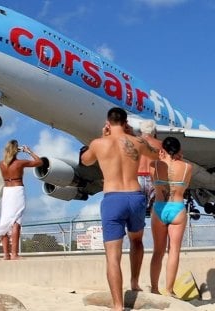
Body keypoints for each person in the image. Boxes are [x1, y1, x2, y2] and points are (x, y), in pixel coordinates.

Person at [80, 107, 159, 311]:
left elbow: (85, 160)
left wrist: (102, 136)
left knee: (112, 257)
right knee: (137, 241)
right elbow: (156, 155)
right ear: (125, 122)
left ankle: (118, 306)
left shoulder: (99, 144)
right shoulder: (137, 142)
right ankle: (134, 282)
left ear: (108, 122)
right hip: (135, 196)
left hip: (113, 198)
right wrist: (132, 135)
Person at [149, 136, 193, 297]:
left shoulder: (154, 165)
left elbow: (153, 182)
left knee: (157, 252)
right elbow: (186, 185)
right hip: (177, 207)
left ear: (163, 150)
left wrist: (160, 159)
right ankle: (168, 289)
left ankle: (154, 288)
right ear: (179, 150)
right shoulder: (188, 167)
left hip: (160, 207)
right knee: (174, 251)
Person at [0, 140, 42, 260]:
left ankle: (6, 254)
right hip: (17, 191)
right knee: (16, 222)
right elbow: (39, 162)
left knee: (5, 222)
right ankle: (14, 254)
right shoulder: (19, 163)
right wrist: (29, 151)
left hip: (6, 192)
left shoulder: (1, 164)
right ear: (16, 149)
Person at [137, 120, 163, 215]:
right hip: (153, 178)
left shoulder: (134, 142)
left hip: (137, 178)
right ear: (154, 130)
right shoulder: (160, 144)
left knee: (137, 213)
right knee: (155, 213)